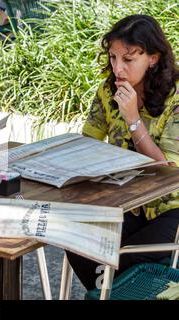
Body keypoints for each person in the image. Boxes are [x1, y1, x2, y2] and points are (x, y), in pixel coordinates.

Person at [66, 14, 179, 290]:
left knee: (125, 261)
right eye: (114, 57)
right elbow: (88, 141)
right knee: (72, 240)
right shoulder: (108, 91)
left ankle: (110, 293)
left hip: (170, 207)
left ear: (152, 58)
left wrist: (133, 121)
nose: (118, 68)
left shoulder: (175, 97)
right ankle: (109, 294)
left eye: (128, 60)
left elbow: (167, 168)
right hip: (124, 202)